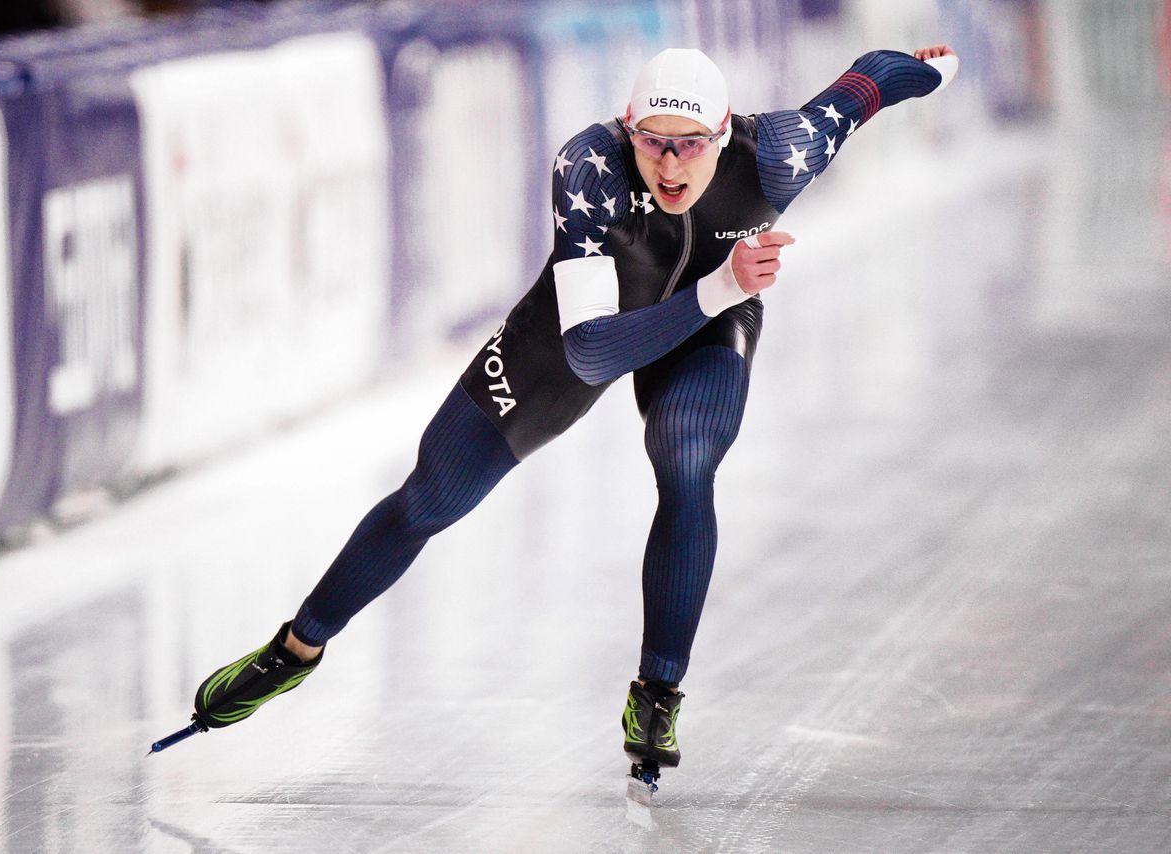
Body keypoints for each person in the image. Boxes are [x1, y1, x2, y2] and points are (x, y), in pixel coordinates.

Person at [189, 42, 959, 777]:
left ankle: (657, 695)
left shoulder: (780, 151)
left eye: (690, 145)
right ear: (629, 130)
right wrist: (724, 284)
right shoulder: (589, 164)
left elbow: (868, 85)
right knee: (431, 495)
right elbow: (591, 351)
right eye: (652, 141)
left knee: (688, 463)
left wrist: (936, 71)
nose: (668, 164)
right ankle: (294, 650)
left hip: (707, 325)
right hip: (592, 325)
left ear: (724, 136)